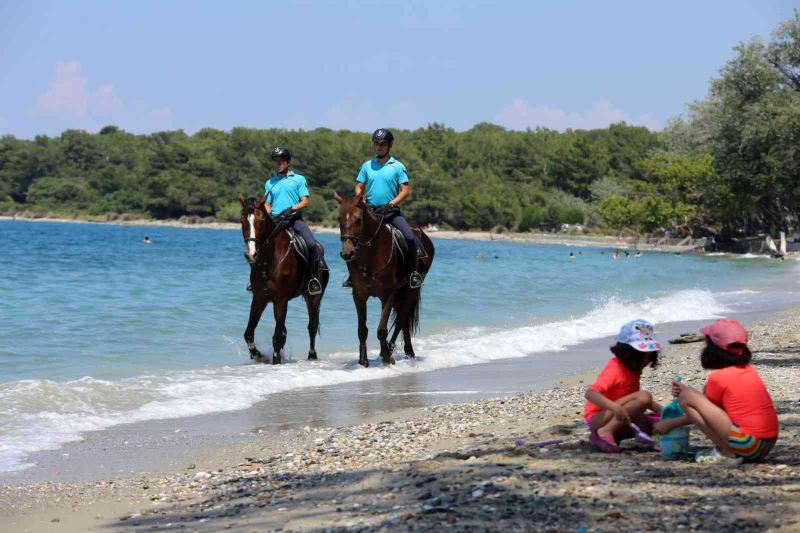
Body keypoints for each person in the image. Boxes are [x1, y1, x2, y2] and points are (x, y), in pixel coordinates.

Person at [653, 318, 778, 465]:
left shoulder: (718, 377)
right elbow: (712, 409)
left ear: (712, 349)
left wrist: (670, 423)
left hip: (749, 445)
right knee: (688, 394)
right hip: (766, 445)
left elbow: (707, 415)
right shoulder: (749, 371)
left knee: (685, 396)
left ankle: (726, 452)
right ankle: (730, 450)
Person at [343, 128, 423, 289]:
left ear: (389, 145)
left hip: (391, 212)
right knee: (352, 237)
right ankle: (353, 275)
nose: (379, 146)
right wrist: (360, 197)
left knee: (409, 237)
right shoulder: (367, 165)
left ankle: (412, 273)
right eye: (377, 143)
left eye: (383, 144)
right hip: (371, 212)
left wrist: (391, 204)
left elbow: (405, 191)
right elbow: (358, 185)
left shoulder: (397, 166)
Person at [584, 319, 663, 453]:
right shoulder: (615, 369)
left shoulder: (633, 369)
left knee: (659, 424)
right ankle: (606, 431)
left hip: (621, 416)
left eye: (650, 356)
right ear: (628, 353)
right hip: (599, 418)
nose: (647, 361)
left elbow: (636, 401)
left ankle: (611, 433)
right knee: (644, 396)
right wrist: (615, 407)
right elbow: (590, 393)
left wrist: (666, 413)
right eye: (643, 357)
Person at [264, 146, 325, 295]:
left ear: (288, 162)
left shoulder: (298, 179)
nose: (278, 164)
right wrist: (267, 214)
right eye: (276, 161)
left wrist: (291, 209)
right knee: (258, 246)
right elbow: (267, 203)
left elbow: (305, 202)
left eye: (281, 161)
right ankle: (257, 280)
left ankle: (313, 279)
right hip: (276, 221)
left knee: (312, 245)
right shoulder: (269, 183)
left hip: (294, 220)